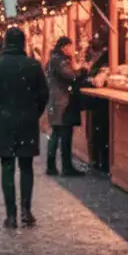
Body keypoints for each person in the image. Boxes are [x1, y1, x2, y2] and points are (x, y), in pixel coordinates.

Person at [0, 27, 48, 228]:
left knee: (7, 167)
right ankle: (26, 210)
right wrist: (34, 111)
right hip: (27, 121)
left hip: (4, 122)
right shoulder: (33, 66)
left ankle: (11, 214)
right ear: (23, 43)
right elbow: (44, 95)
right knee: (26, 167)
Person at [44, 36, 89, 177]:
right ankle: (66, 167)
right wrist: (83, 71)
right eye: (70, 47)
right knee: (64, 135)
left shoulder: (55, 59)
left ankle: (52, 166)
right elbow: (70, 76)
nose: (72, 50)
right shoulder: (60, 60)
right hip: (62, 103)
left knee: (56, 134)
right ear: (64, 47)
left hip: (56, 102)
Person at [83, 34, 113, 175]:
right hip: (98, 103)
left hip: (100, 104)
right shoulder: (100, 59)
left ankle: (101, 162)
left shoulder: (105, 58)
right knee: (99, 131)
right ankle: (100, 162)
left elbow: (97, 79)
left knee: (100, 131)